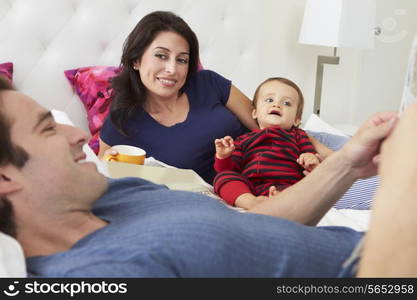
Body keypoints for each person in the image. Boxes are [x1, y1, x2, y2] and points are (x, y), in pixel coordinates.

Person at [3, 77, 413, 278]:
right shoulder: (102, 273)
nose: (78, 134)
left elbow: (260, 231)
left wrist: (348, 165)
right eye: (47, 128)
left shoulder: (117, 192)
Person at [98, 11, 331, 184]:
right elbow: (102, 172)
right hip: (218, 196)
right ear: (137, 60)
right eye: (161, 56)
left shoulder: (208, 83)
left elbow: (268, 125)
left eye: (182, 60)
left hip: (274, 170)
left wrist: (330, 158)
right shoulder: (122, 121)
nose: (172, 69)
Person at [214, 77, 322, 209]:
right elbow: (228, 169)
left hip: (289, 185)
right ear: (254, 113)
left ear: (296, 120)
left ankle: (279, 200)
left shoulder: (298, 135)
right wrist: (224, 156)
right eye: (269, 100)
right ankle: (250, 202)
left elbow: (310, 155)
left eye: (287, 103)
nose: (276, 105)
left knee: (309, 188)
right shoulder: (243, 139)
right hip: (250, 188)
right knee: (223, 177)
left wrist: (311, 160)